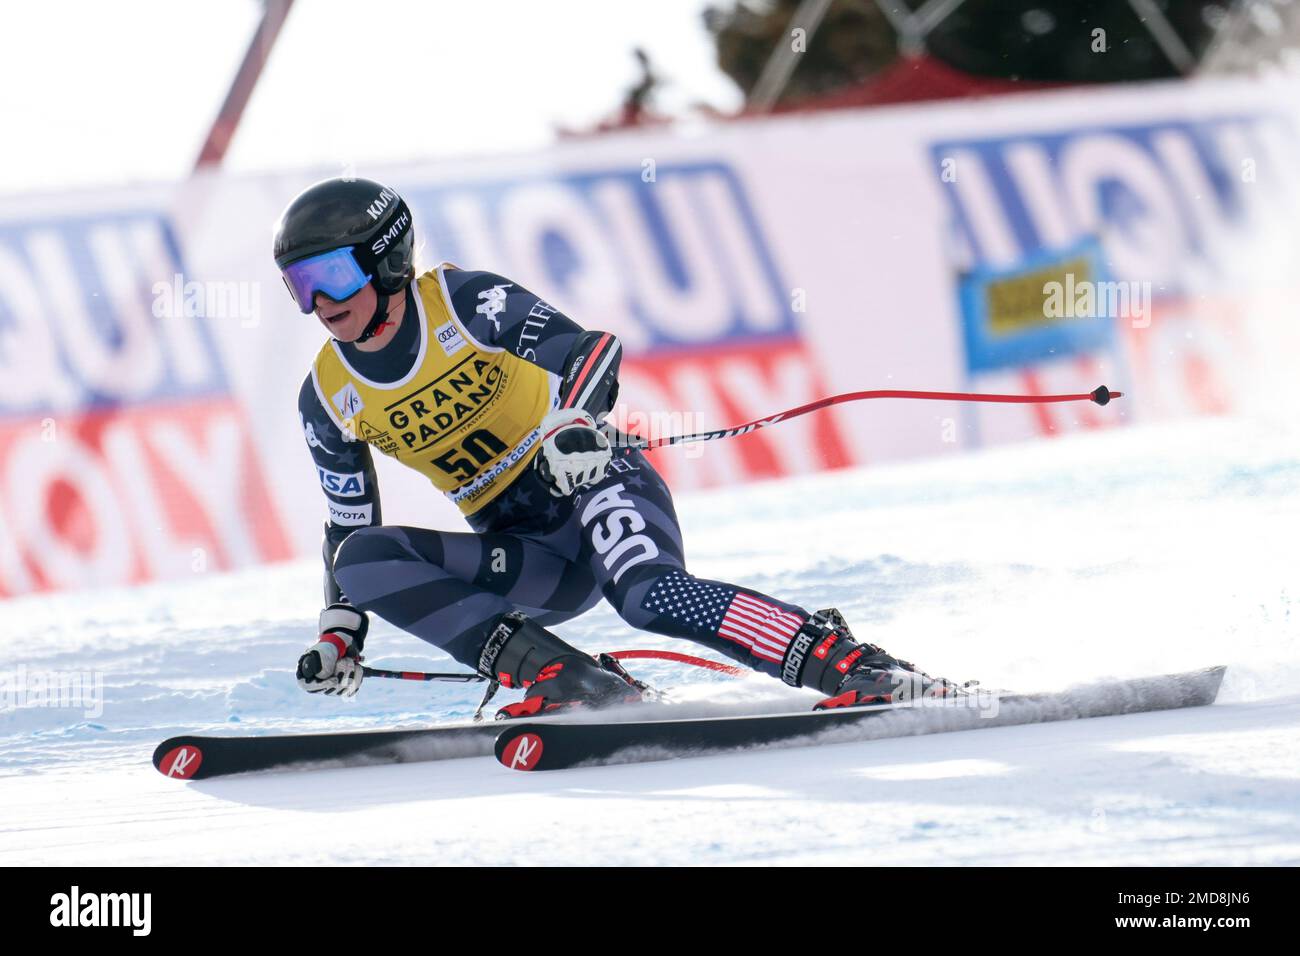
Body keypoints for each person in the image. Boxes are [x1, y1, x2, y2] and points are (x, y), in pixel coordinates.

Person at [276, 177, 954, 718]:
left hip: (595, 482)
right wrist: (340, 633)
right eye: (301, 285)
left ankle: (850, 664)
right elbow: (350, 529)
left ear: (386, 258)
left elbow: (592, 348)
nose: (320, 301)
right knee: (363, 558)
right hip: (535, 557)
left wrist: (572, 419)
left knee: (648, 595)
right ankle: (566, 677)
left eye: (332, 274)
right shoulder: (330, 396)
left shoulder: (461, 302)